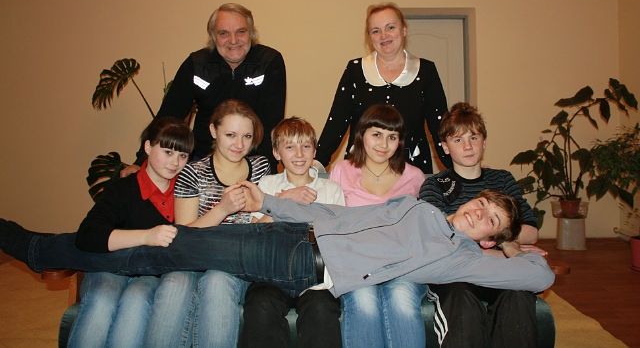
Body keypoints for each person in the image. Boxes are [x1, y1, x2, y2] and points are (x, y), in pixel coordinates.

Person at [0, 188, 555, 299]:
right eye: (483, 204)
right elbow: (338, 212)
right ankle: (52, 250)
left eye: (490, 221)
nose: (479, 213)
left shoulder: (459, 255)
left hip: (302, 263)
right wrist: (269, 200)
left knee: (164, 250)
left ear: (488, 238)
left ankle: (37, 250)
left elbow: (542, 276)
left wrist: (509, 250)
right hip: (289, 233)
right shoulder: (416, 206)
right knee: (172, 245)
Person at [144, 99, 270, 347]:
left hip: (240, 262)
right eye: (230, 135)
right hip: (196, 260)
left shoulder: (261, 167)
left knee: (216, 281)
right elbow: (183, 235)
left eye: (247, 136)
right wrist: (222, 209)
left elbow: (267, 220)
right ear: (213, 131)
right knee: (176, 285)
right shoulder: (192, 172)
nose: (239, 144)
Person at [418, 102, 543, 348]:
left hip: (499, 271)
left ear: (484, 141)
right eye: (458, 140)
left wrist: (505, 243)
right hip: (456, 275)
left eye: (474, 137)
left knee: (518, 295)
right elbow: (439, 238)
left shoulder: (503, 180)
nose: (468, 146)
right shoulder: (435, 185)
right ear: (445, 147)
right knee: (461, 297)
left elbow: (530, 231)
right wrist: (503, 248)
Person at [67, 117, 194, 348]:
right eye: (168, 152)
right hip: (112, 267)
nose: (175, 162)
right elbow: (87, 235)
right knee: (101, 300)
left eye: (183, 156)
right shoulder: (123, 188)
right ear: (148, 147)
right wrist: (146, 236)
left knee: (137, 300)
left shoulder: (189, 192)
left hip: (152, 275)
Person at [123, 2, 286, 175]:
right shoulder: (197, 64)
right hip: (202, 160)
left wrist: (263, 175)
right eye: (223, 33)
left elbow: (272, 125)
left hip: (253, 160)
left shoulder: (269, 62)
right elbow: (168, 116)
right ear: (213, 36)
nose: (233, 41)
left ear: (251, 33)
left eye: (241, 32)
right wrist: (140, 162)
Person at [240, 117, 344, 348]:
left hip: (315, 278)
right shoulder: (266, 185)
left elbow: (338, 240)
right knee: (260, 304)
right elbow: (253, 235)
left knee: (321, 309)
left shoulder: (331, 190)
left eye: (306, 146)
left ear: (314, 151)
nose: (299, 154)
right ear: (276, 153)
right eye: (289, 147)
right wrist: (283, 202)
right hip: (272, 273)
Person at [329, 104, 426, 348]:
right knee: (364, 301)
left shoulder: (415, 177)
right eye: (377, 134)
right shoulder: (342, 171)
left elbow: (422, 229)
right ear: (362, 134)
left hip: (403, 265)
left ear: (400, 141)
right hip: (357, 264)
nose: (384, 144)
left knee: (401, 300)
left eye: (392, 137)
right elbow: (332, 225)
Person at [316, 2, 451, 174]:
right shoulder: (355, 70)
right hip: (360, 173)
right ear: (369, 37)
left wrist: (457, 168)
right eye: (376, 31)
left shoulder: (426, 71)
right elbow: (336, 123)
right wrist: (316, 164)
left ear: (404, 30)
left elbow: (441, 127)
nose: (383, 35)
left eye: (390, 27)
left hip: (411, 171)